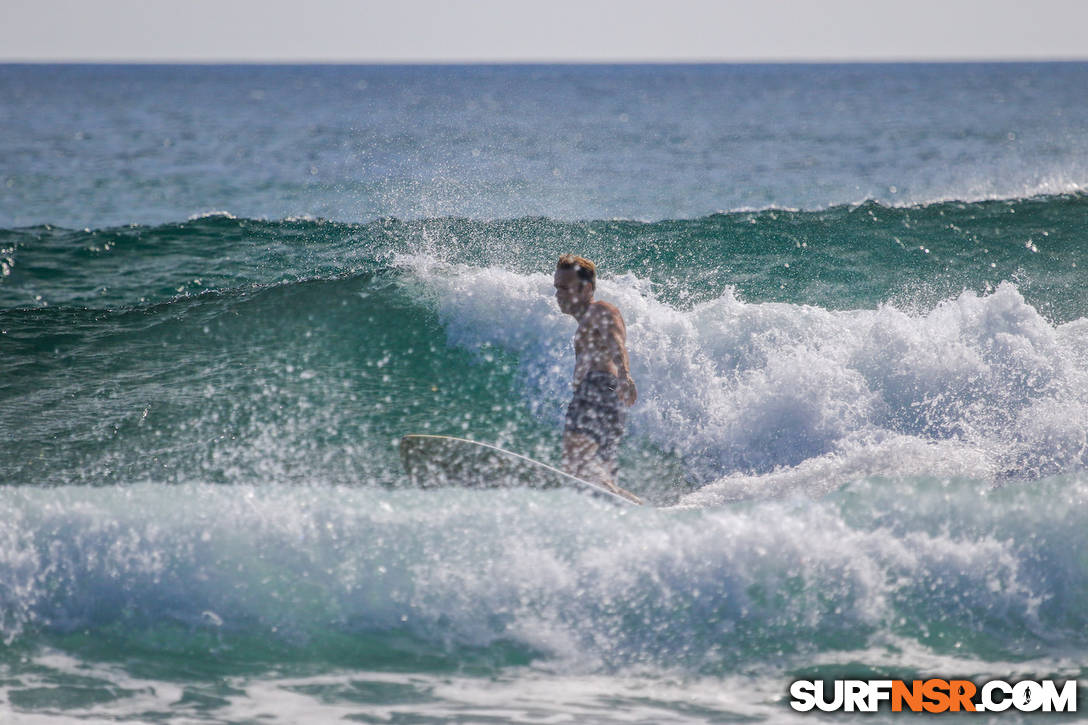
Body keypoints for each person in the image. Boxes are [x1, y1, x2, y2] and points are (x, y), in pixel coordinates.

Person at [553, 254, 637, 495]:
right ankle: (634, 507)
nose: (558, 294)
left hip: (599, 389)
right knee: (593, 475)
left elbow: (616, 342)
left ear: (586, 287)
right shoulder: (586, 322)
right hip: (604, 397)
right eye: (557, 287)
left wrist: (625, 375)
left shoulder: (600, 310)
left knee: (575, 460)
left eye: (565, 288)